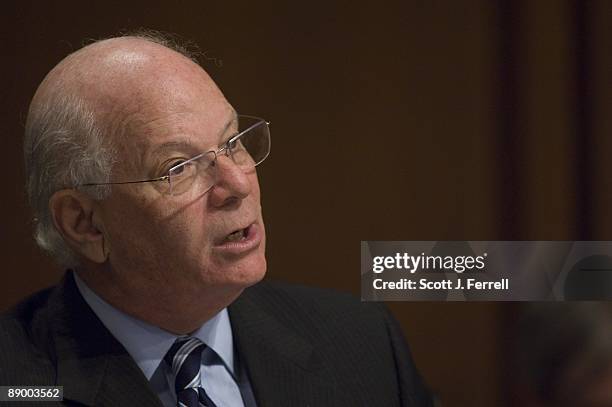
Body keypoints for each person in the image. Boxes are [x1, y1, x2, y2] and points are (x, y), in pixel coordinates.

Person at [0, 33, 433, 406]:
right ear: (85, 224)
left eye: (232, 143)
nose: (237, 184)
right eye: (179, 167)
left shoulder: (361, 342)